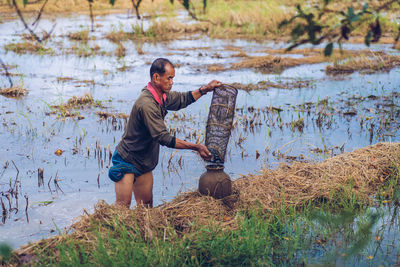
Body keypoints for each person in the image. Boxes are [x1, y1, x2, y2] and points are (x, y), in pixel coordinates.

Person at [108, 58, 222, 208]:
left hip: (144, 162)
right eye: (169, 78)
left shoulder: (161, 96)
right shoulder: (147, 104)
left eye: (172, 78)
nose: (172, 82)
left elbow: (183, 99)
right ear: (156, 77)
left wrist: (205, 89)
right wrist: (196, 147)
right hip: (127, 160)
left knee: (146, 208)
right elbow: (163, 137)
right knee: (122, 208)